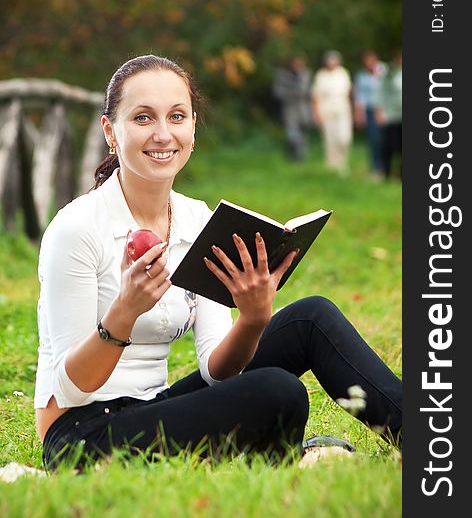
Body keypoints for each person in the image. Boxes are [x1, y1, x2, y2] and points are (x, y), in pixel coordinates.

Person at [34, 54, 402, 472]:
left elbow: (217, 372)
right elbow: (69, 389)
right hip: (82, 435)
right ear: (110, 131)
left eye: (177, 116)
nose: (162, 134)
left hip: (155, 407)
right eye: (142, 118)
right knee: (276, 391)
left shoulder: (195, 219)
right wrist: (123, 314)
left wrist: (252, 318)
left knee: (310, 317)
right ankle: (284, 458)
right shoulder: (77, 227)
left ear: (193, 129)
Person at [311, 50, 353, 176]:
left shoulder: (343, 73)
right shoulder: (321, 75)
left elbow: (350, 92)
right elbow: (315, 96)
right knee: (330, 139)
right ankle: (333, 166)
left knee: (344, 138)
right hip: (326, 111)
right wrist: (317, 114)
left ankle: (343, 163)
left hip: (343, 110)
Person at [272, 55, 312, 162]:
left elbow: (308, 92)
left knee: (303, 137)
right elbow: (278, 93)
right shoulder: (282, 75)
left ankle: (300, 160)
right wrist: (292, 93)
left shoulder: (306, 75)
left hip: (304, 112)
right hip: (289, 111)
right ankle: (294, 157)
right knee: (292, 136)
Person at [353, 51, 385, 180]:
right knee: (374, 139)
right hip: (371, 110)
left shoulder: (385, 71)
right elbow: (360, 97)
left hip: (388, 110)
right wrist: (358, 114)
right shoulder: (361, 76)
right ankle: (377, 167)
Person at [375, 50, 402, 179]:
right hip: (392, 116)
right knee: (390, 146)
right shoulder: (389, 74)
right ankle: (387, 173)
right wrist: (380, 111)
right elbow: (381, 94)